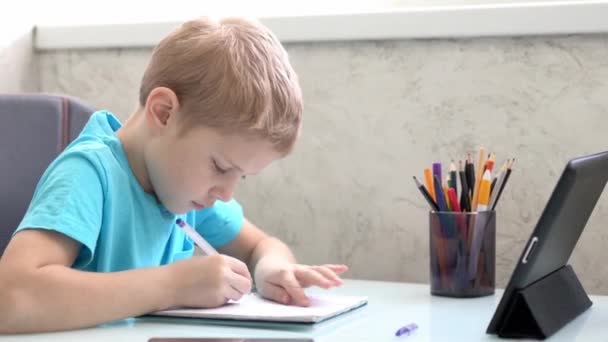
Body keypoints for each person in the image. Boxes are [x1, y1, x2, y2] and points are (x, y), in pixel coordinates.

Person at [0, 16, 347, 333]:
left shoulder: (181, 190)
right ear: (164, 113)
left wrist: (270, 269)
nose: (226, 193)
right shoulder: (89, 175)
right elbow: (11, 297)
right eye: (221, 167)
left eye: (240, 176)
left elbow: (261, 245)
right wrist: (171, 285)